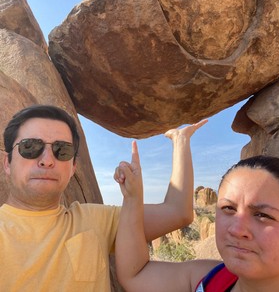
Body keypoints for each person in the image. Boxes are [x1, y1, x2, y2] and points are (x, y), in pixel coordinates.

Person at [0, 104, 207, 291]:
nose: (47, 160)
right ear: (7, 162)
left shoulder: (97, 220)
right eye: (30, 147)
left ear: (73, 168)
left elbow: (178, 212)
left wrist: (181, 141)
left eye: (61, 150)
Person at [115, 154, 279, 292]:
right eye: (228, 208)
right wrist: (132, 198)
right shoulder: (211, 279)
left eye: (262, 215)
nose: (236, 229)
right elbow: (135, 275)